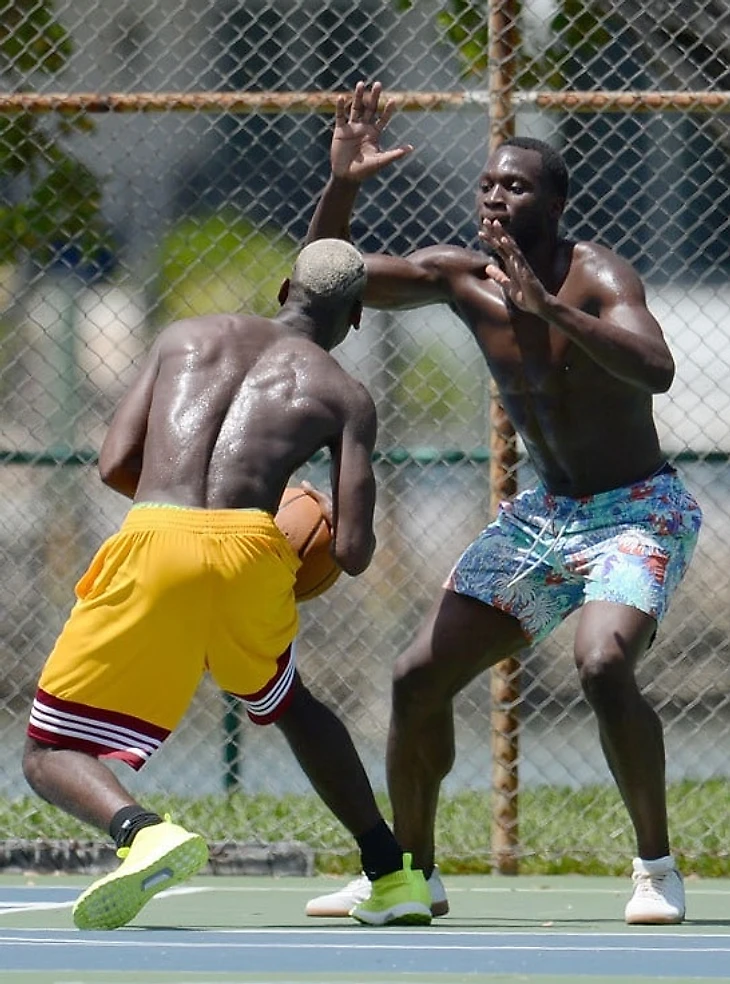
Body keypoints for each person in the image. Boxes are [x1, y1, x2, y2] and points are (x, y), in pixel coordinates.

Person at [303, 82, 703, 925]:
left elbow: (658, 369)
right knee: (416, 678)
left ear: (555, 204)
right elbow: (319, 280)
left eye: (516, 186)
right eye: (488, 184)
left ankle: (656, 867)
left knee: (602, 665)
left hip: (637, 510)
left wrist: (550, 307)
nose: (495, 195)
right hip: (545, 517)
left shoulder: (597, 276)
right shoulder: (458, 276)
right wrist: (343, 183)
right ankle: (410, 875)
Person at [22, 238, 432, 931]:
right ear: (358, 317)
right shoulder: (345, 395)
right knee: (289, 701)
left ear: (282, 290)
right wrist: (317, 526)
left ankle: (142, 832)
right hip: (253, 549)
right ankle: (392, 874)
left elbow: (114, 461)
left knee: (47, 751)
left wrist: (177, 516)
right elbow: (356, 552)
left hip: (156, 536)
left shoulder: (185, 336)